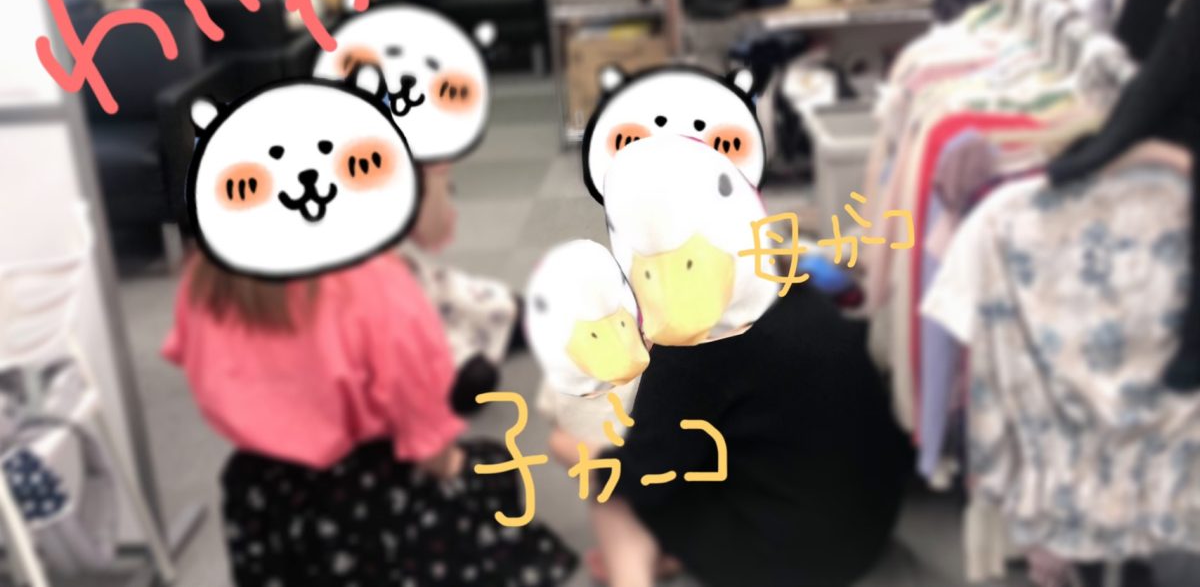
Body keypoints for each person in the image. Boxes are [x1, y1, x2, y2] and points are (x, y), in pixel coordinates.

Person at [553, 137, 910, 587]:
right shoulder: (791, 285)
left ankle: (636, 574)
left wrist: (569, 448)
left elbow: (639, 475)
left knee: (606, 484)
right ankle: (669, 551)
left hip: (799, 561)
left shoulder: (696, 339)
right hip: (872, 524)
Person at [163, 251, 576, 586]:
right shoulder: (377, 284)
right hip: (374, 494)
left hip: (263, 495)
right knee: (497, 468)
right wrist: (455, 468)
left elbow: (189, 356)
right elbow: (429, 445)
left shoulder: (205, 277)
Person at [403, 162, 524, 414]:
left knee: (514, 310)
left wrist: (435, 173)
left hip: (416, 283)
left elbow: (431, 232)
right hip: (366, 310)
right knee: (476, 380)